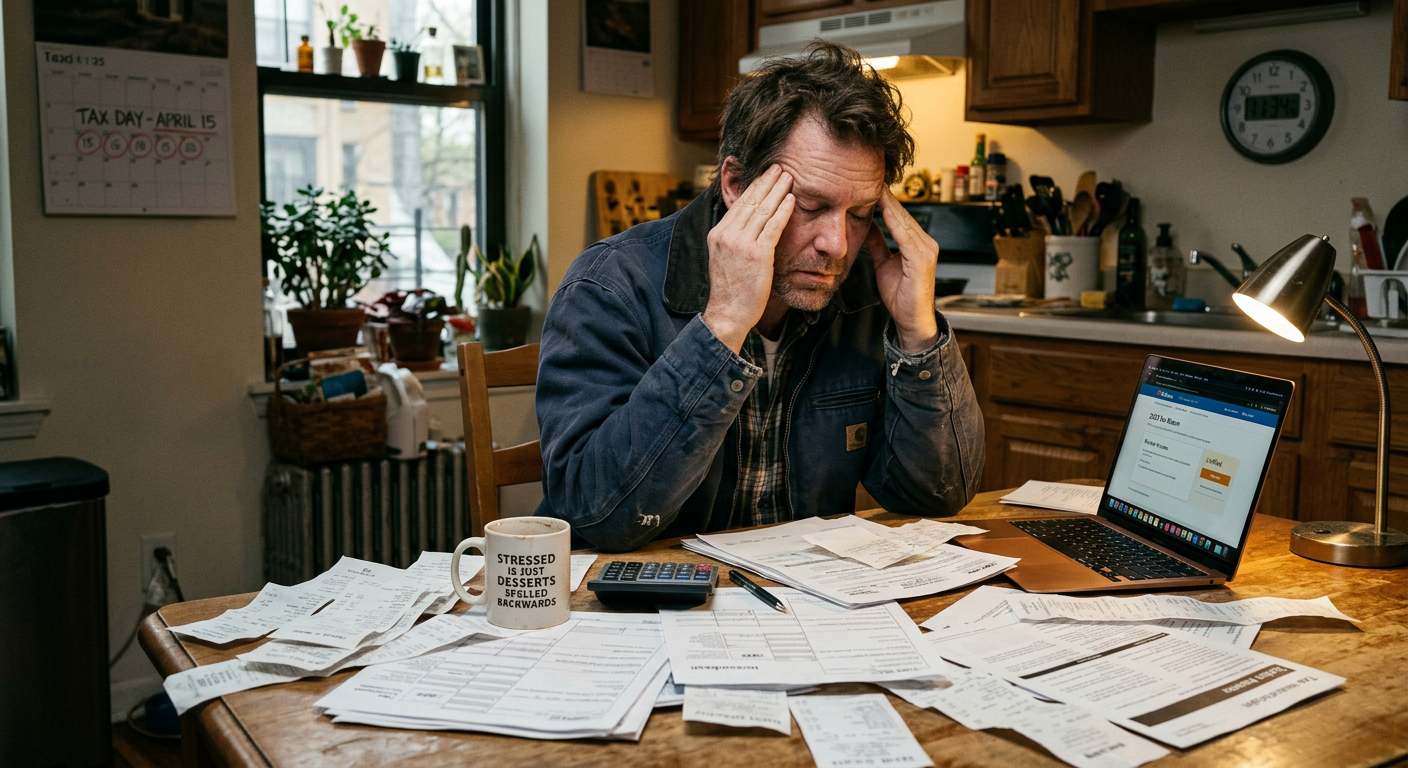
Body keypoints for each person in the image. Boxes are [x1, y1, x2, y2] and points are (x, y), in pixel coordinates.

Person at [534, 42, 984, 552]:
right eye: (809, 206)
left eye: (860, 214)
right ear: (734, 184)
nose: (837, 245)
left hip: (804, 589)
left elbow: (934, 496)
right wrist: (722, 325)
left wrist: (918, 335)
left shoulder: (866, 291)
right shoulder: (609, 284)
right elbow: (594, 514)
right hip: (648, 591)